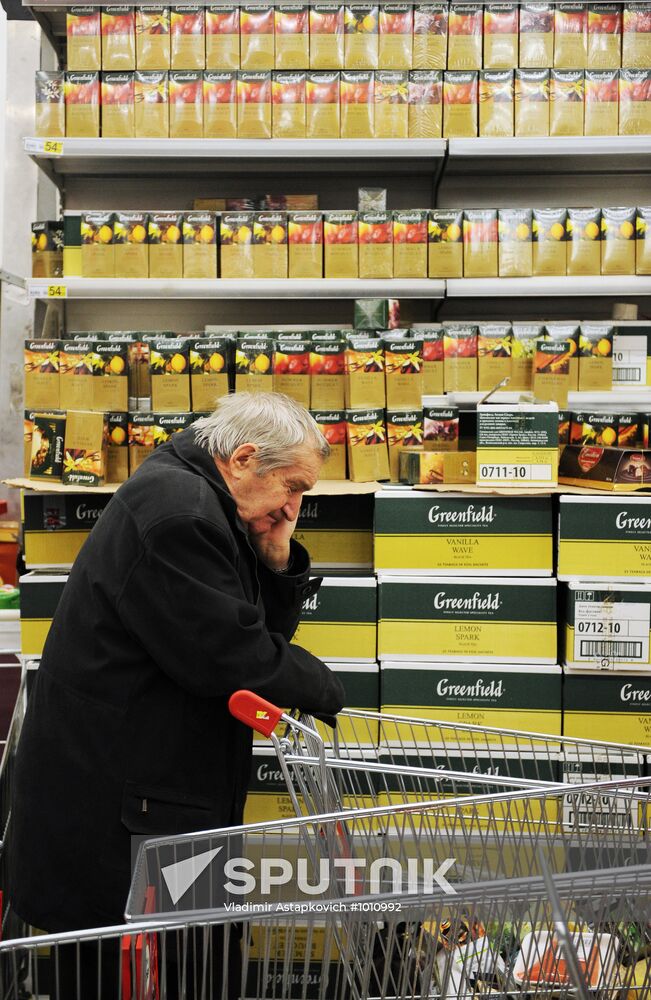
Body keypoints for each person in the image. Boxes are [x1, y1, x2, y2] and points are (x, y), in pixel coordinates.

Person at [7, 392, 345, 995]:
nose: (296, 506)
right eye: (293, 486)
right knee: (120, 969)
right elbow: (229, 656)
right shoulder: (180, 514)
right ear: (244, 459)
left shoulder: (204, 501)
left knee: (187, 958)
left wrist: (276, 557)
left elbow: (252, 632)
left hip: (152, 795)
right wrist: (325, 688)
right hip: (119, 806)